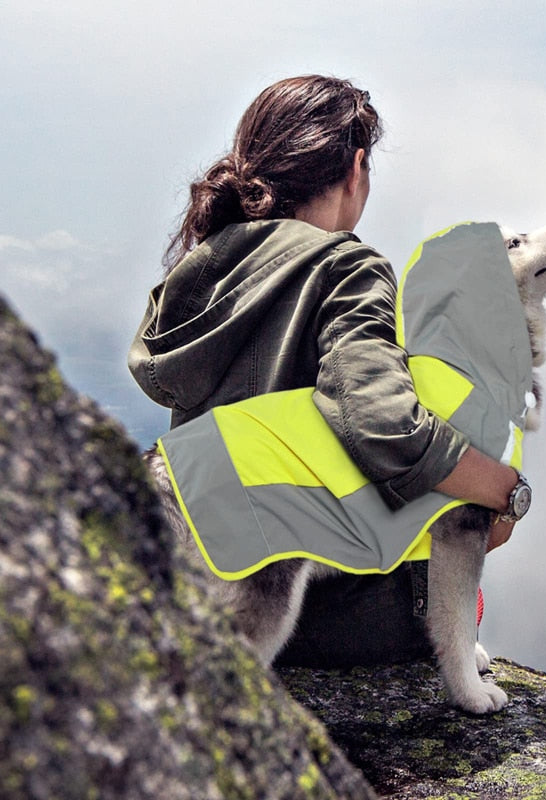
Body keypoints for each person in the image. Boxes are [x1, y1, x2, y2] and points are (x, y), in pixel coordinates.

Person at [128, 75, 520, 667]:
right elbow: (381, 420)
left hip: (201, 592)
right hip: (314, 613)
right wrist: (504, 492)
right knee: (463, 580)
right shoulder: (346, 265)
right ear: (356, 166)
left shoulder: (198, 270)